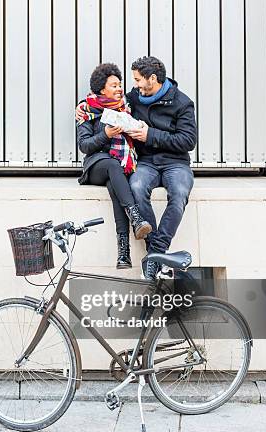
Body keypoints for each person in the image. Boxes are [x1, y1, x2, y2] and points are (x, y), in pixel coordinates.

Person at [77, 56, 196, 280]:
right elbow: (100, 103)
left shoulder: (182, 102)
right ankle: (155, 253)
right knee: (138, 188)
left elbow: (188, 140)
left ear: (153, 79)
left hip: (176, 163)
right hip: (147, 162)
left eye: (138, 80)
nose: (133, 86)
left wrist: (150, 135)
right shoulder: (133, 99)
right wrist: (83, 111)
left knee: (179, 193)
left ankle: (155, 253)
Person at [76, 63, 152, 269]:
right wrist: (105, 135)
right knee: (111, 165)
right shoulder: (86, 109)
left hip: (118, 168)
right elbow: (84, 146)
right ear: (102, 89)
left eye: (120, 85)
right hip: (96, 164)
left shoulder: (126, 109)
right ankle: (135, 217)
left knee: (114, 185)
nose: (119, 89)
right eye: (114, 85)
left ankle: (123, 253)